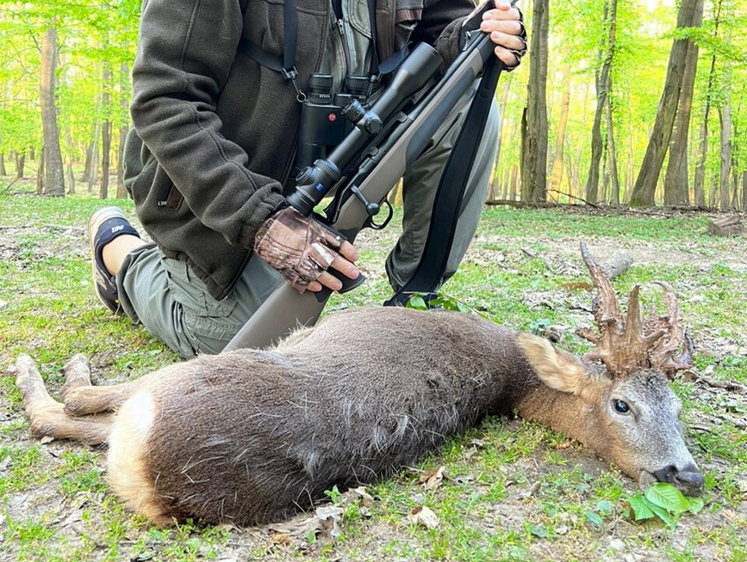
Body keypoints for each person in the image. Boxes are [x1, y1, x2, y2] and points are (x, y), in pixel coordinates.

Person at [88, 0, 527, 358]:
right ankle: (119, 253)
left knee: (468, 106)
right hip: (217, 172)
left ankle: (414, 302)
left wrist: (484, 32)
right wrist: (259, 219)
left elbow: (443, 34)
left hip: (348, 146)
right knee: (241, 345)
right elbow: (165, 99)